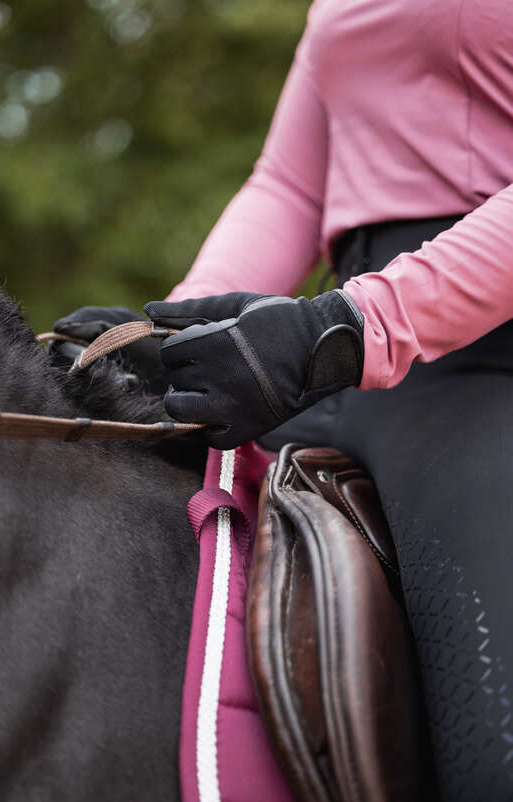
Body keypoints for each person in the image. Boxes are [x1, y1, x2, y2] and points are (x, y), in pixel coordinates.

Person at [55, 1, 513, 797]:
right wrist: (179, 335)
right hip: (346, 351)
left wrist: (349, 326)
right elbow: (289, 184)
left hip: (480, 353)